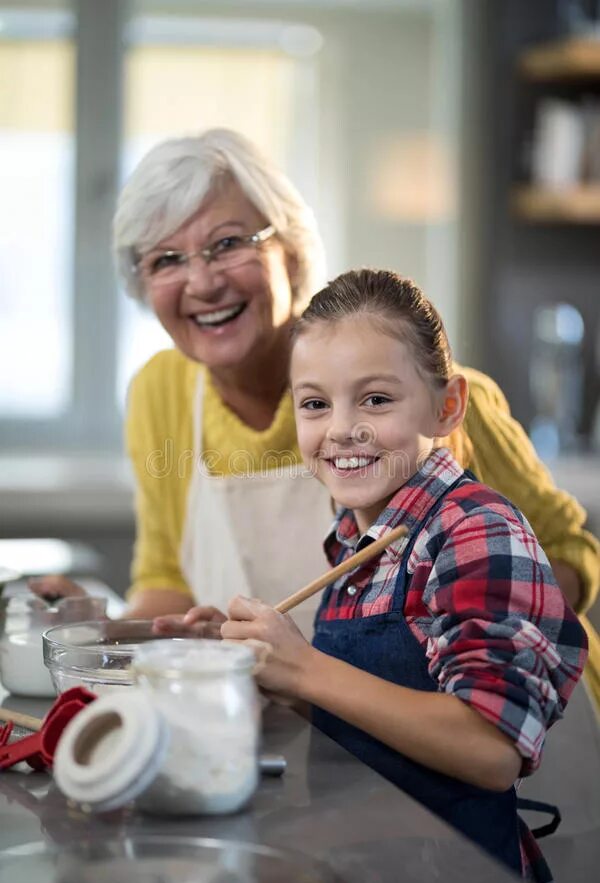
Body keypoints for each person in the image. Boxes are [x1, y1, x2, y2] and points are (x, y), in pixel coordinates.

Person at [29, 128, 600, 701]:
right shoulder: (160, 391)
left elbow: (568, 557)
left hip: (496, 725)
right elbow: (167, 576)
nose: (202, 282)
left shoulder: (429, 408)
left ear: (293, 251)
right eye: (167, 260)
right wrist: (102, 633)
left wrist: (449, 618)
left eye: (228, 243)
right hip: (315, 729)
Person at [213, 268, 588, 883]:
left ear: (447, 407)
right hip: (371, 870)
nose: (341, 429)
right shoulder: (358, 539)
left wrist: (305, 668)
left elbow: (490, 748)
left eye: (376, 399)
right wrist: (268, 668)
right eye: (315, 404)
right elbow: (374, 712)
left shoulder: (474, 531)